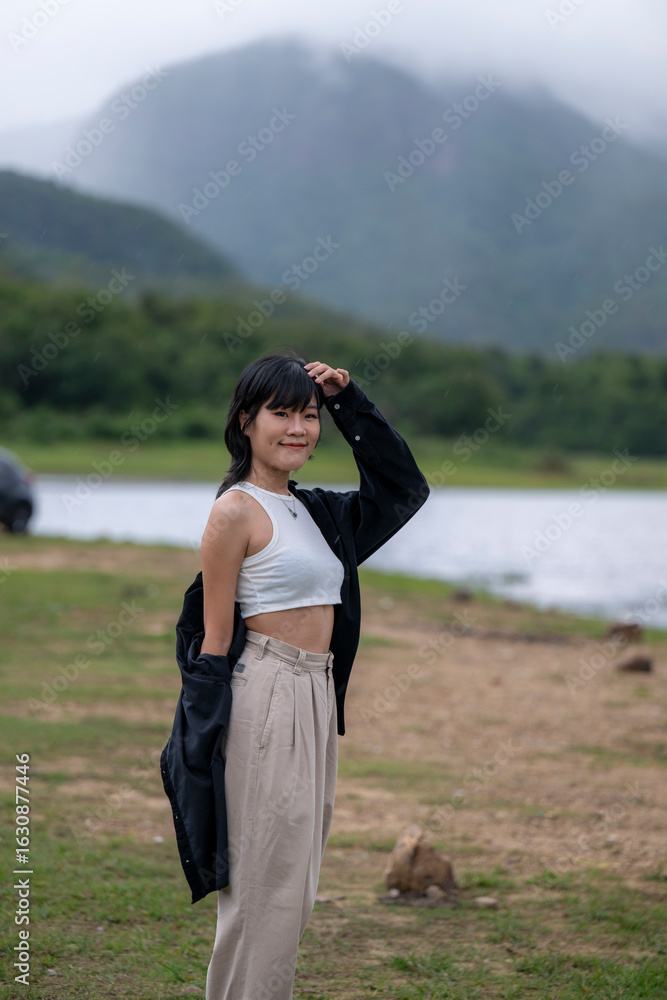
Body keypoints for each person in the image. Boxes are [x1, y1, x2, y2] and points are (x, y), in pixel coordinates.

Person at [162, 351, 429, 1000]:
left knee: (295, 887)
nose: (297, 429)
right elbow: (213, 638)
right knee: (266, 892)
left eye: (308, 416)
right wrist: (200, 747)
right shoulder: (236, 511)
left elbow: (403, 488)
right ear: (245, 421)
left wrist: (347, 402)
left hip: (316, 694)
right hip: (266, 693)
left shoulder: (318, 513)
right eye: (280, 413)